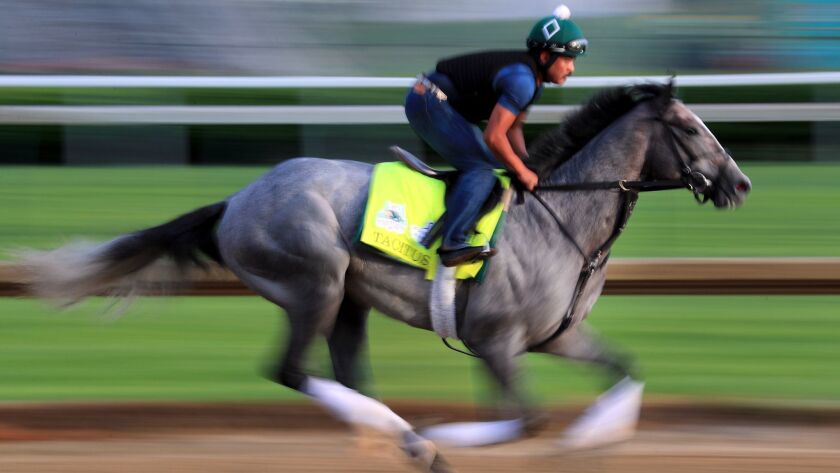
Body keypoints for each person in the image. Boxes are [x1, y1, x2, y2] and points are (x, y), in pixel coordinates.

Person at [404, 5, 588, 267]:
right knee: (480, 165)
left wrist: (525, 162)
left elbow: (513, 128)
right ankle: (453, 243)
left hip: (441, 103)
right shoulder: (522, 81)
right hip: (428, 101)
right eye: (567, 59)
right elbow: (494, 136)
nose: (572, 68)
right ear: (546, 56)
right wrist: (523, 173)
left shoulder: (534, 83)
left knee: (499, 163)